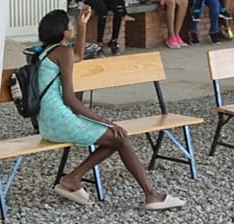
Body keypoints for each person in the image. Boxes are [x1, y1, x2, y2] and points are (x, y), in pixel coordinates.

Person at [35, 8, 185, 211]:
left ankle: (73, 178)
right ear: (65, 32)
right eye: (71, 25)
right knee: (119, 136)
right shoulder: (63, 52)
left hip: (47, 122)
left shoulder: (49, 52)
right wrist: (106, 122)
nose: (73, 27)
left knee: (116, 139)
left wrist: (82, 24)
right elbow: (70, 99)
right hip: (60, 119)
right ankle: (151, 195)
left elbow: (78, 55)